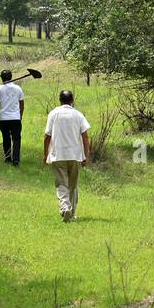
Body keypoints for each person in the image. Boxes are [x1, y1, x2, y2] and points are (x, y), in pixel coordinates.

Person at [43, 89, 90, 222]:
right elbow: (85, 137)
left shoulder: (53, 114)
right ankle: (72, 213)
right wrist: (85, 155)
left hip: (58, 155)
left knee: (62, 184)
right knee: (73, 185)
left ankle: (65, 208)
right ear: (72, 101)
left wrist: (45, 154)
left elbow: (47, 136)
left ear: (60, 100)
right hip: (75, 154)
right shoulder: (78, 115)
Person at [0, 70, 24, 165]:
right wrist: (20, 116)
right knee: (16, 139)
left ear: (1, 77)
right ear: (11, 77)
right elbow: (22, 104)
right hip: (15, 118)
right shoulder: (18, 88)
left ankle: (7, 157)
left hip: (4, 119)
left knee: (6, 138)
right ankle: (16, 160)